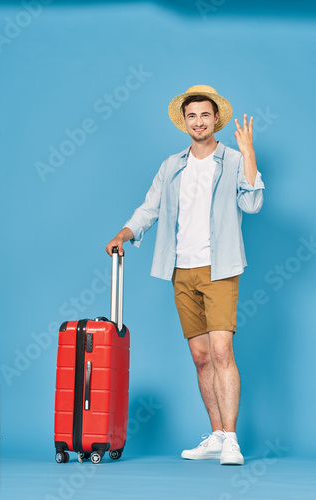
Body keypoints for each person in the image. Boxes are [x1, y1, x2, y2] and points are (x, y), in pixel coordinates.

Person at [106, 85, 265, 466]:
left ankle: (231, 440)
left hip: (220, 268)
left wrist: (248, 155)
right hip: (182, 270)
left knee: (222, 351)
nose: (198, 121)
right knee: (200, 358)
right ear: (184, 122)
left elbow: (253, 203)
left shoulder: (230, 159)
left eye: (204, 115)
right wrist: (124, 233)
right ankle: (214, 434)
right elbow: (149, 208)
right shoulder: (171, 166)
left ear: (216, 120)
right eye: (191, 115)